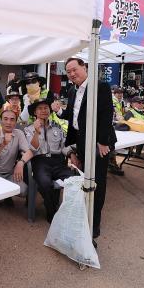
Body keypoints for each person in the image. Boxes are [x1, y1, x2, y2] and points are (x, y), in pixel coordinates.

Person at [56, 58, 116, 243]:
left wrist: (103, 141)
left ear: (85, 67)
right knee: (85, 178)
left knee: (97, 182)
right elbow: (73, 114)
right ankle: (85, 213)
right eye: (68, 71)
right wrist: (59, 111)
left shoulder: (101, 86)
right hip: (82, 140)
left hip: (98, 142)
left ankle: (94, 223)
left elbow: (107, 113)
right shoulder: (72, 89)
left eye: (75, 69)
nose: (72, 74)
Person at [25, 99, 74, 222]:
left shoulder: (57, 127)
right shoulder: (29, 129)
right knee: (45, 183)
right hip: (40, 162)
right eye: (40, 109)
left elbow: (64, 146)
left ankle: (66, 210)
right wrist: (37, 132)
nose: (43, 111)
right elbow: (33, 148)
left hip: (58, 162)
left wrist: (72, 154)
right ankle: (52, 212)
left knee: (74, 180)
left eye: (46, 108)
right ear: (35, 112)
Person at [0, 108, 33, 203]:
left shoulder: (19, 133)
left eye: (12, 119)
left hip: (9, 174)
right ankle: (2, 196)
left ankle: (6, 194)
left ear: (16, 122)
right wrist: (4, 143)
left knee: (24, 190)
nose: (8, 122)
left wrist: (20, 163)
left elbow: (29, 152)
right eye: (5, 119)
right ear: (0, 121)